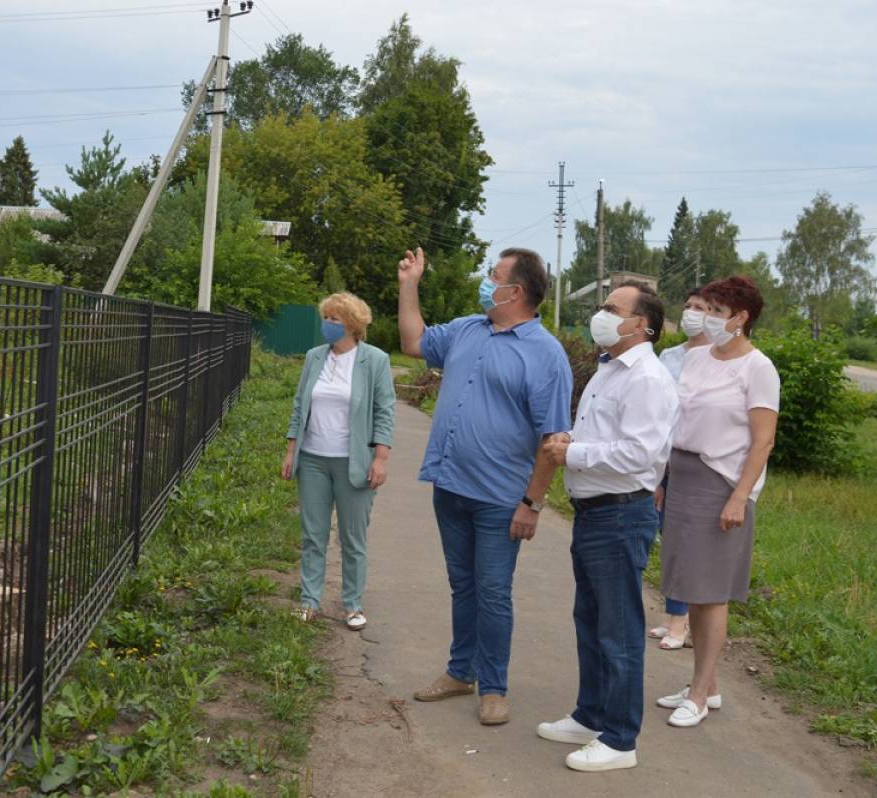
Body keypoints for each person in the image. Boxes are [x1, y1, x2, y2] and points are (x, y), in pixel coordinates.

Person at [397, 246, 573, 726]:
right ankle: (460, 671)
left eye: (492, 274)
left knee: (493, 591)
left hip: (500, 498)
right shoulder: (465, 329)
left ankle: (494, 687)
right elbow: (413, 342)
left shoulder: (546, 355)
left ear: (514, 291)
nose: (484, 280)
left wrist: (532, 503)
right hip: (450, 486)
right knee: (463, 585)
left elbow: (553, 438)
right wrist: (409, 283)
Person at [537, 281, 679, 772]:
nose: (601, 314)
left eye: (611, 308)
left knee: (618, 629)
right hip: (594, 512)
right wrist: (572, 439)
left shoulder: (646, 378)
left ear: (641, 324)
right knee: (591, 621)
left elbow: (640, 454)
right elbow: (608, 438)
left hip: (621, 513)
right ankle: (591, 714)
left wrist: (571, 453)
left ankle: (620, 739)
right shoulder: (608, 370)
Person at [657, 275, 780, 728]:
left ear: (740, 318)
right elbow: (676, 420)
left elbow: (762, 442)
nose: (705, 319)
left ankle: (700, 693)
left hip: (721, 483)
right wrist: (662, 477)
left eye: (715, 311)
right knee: (688, 586)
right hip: (683, 476)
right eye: (704, 309)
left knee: (710, 595)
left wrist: (739, 496)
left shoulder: (758, 368)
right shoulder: (698, 359)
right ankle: (707, 685)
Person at [282, 292, 396, 631]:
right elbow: (300, 405)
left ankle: (352, 604)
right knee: (313, 535)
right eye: (326, 318)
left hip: (354, 463)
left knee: (353, 538)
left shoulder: (374, 360)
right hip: (313, 458)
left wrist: (381, 458)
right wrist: (291, 451)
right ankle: (309, 601)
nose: (327, 325)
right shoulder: (314, 357)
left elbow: (384, 411)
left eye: (335, 319)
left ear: (352, 324)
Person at [649, 288, 712, 650]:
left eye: (700, 308)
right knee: (669, 541)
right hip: (666, 459)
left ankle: (683, 624)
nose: (691, 313)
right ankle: (674, 616)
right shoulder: (669, 356)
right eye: (687, 306)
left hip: (697, 462)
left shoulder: (718, 358)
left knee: (689, 545)